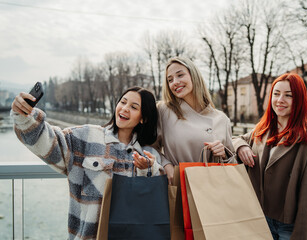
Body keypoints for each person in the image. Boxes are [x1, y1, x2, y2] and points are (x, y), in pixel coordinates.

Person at [11, 86, 163, 240]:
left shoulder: (149, 156)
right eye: (123, 102)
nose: (124, 108)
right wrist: (24, 116)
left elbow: (154, 205)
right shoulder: (87, 136)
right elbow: (50, 144)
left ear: (143, 118)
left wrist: (146, 170)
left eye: (133, 107)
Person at [233, 73, 307, 240]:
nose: (280, 100)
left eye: (288, 95)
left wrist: (302, 235)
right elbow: (235, 140)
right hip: (258, 218)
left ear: (298, 99)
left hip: (288, 227)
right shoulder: (263, 129)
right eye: (276, 94)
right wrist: (241, 147)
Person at [155, 56, 235, 184]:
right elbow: (147, 146)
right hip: (179, 186)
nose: (175, 82)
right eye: (170, 80)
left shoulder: (221, 119)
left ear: (194, 75)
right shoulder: (164, 111)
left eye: (180, 75)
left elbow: (232, 164)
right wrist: (165, 164)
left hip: (213, 190)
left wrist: (223, 154)